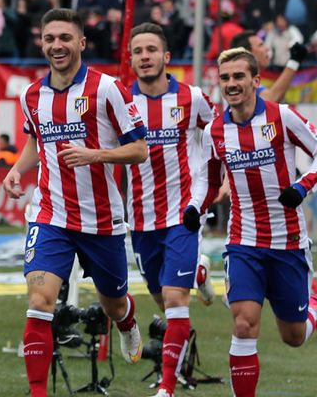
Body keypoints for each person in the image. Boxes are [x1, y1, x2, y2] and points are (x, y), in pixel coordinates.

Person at [2, 8, 147, 397]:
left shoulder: (108, 89)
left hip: (101, 219)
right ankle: (37, 393)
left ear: (81, 42)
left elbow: (139, 148)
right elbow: (37, 141)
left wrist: (96, 154)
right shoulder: (31, 95)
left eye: (65, 38)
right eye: (50, 39)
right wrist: (17, 169)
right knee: (40, 299)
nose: (57, 45)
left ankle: (128, 324)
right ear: (42, 43)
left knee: (114, 304)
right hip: (51, 214)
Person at [184, 47, 317, 397]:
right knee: (243, 324)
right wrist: (195, 205)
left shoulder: (282, 117)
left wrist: (302, 186)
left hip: (288, 241)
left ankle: (312, 299)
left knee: (294, 336)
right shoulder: (214, 131)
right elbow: (208, 180)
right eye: (225, 77)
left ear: (256, 81)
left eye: (239, 76)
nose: (231, 83)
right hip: (243, 242)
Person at [125, 23, 217, 397]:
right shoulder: (120, 100)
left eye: (151, 49)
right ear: (131, 59)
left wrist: (215, 186)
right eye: (137, 51)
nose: (144, 56)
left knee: (176, 303)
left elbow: (218, 134)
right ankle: (198, 271)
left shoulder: (192, 97)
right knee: (162, 297)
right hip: (141, 217)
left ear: (166, 57)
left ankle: (166, 388)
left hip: (183, 212)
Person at [229, 30, 308, 102]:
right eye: (260, 45)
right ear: (248, 54)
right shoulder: (238, 80)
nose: (267, 48)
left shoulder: (250, 79)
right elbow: (271, 99)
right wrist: (294, 62)